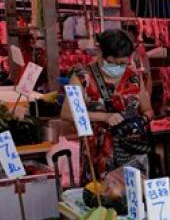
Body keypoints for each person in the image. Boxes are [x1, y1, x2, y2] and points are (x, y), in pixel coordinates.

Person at [61, 29, 154, 179]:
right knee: (101, 197)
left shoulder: (134, 78)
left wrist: (140, 121)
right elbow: (66, 113)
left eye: (123, 63)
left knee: (132, 196)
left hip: (130, 151)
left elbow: (148, 110)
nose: (119, 68)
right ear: (100, 54)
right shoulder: (81, 77)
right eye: (113, 63)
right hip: (98, 155)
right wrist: (104, 117)